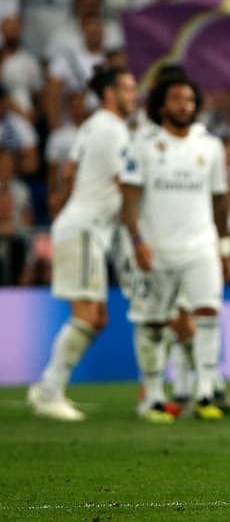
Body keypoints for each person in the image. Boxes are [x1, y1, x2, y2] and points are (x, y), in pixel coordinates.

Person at [27, 66, 136, 421]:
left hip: (83, 225)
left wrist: (67, 198)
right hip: (86, 228)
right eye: (128, 90)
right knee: (87, 317)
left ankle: (47, 384)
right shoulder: (113, 128)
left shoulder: (90, 125)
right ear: (110, 94)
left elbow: (70, 170)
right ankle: (50, 390)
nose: (134, 97)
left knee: (97, 317)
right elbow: (127, 183)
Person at [122, 68, 230, 423]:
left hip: (200, 245)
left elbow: (220, 200)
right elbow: (129, 198)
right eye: (176, 99)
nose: (184, 106)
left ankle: (205, 391)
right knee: (153, 323)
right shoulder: (144, 144)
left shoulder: (210, 146)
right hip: (157, 248)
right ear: (161, 104)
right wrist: (136, 240)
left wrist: (223, 246)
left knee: (208, 312)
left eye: (189, 100)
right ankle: (152, 396)